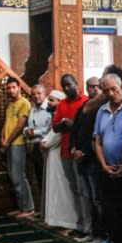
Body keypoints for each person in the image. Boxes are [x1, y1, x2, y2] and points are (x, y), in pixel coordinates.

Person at [93, 74, 122, 243]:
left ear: (121, 87)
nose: (111, 93)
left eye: (114, 89)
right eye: (107, 90)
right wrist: (103, 165)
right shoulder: (102, 110)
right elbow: (98, 141)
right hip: (107, 169)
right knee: (111, 211)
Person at [52, 73, 90, 238]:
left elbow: (86, 128)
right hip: (65, 151)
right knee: (74, 190)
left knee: (84, 190)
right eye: (64, 86)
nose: (67, 88)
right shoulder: (61, 104)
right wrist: (63, 124)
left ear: (76, 83)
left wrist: (71, 124)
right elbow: (55, 126)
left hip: (79, 152)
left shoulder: (86, 101)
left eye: (69, 84)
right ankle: (80, 224)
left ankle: (88, 227)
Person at [71, 76, 106, 243]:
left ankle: (101, 234)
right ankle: (92, 232)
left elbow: (97, 137)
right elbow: (75, 131)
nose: (94, 90)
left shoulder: (102, 109)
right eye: (90, 87)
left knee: (98, 199)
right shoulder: (82, 108)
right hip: (81, 160)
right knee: (88, 199)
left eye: (97, 87)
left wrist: (84, 151)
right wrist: (74, 149)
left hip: (93, 160)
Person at [40, 90, 78, 230]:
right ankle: (56, 220)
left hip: (59, 156)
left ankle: (67, 222)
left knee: (63, 189)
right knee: (55, 189)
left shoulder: (62, 118)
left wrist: (44, 143)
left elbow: (54, 138)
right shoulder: (55, 116)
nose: (48, 103)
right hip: (53, 157)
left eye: (51, 100)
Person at [0, 77, 35, 218]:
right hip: (8, 143)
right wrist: (2, 138)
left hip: (18, 143)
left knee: (18, 176)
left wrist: (7, 141)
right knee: (12, 176)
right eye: (8, 88)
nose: (11, 90)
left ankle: (28, 208)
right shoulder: (11, 104)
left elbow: (20, 126)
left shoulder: (24, 103)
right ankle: (21, 207)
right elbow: (7, 123)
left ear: (19, 87)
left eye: (13, 87)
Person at [23, 84, 50, 190]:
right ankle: (43, 204)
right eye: (33, 94)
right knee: (39, 176)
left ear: (45, 94)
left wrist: (35, 132)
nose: (36, 96)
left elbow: (50, 129)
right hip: (34, 147)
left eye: (39, 93)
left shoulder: (49, 108)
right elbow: (26, 126)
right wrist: (26, 131)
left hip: (46, 146)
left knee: (47, 176)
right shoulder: (32, 108)